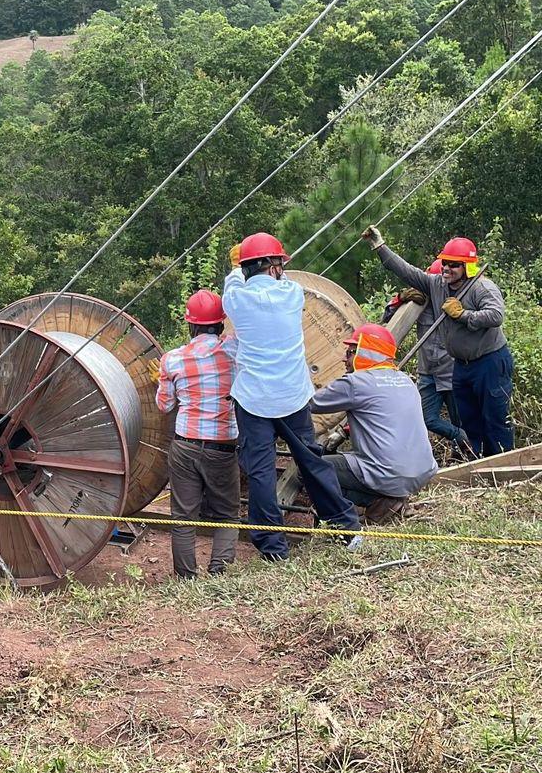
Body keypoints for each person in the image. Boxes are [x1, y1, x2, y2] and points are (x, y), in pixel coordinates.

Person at [222, 232, 361, 560]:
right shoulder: (292, 294)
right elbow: (281, 282)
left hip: (254, 400)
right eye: (280, 263)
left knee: (260, 471)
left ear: (246, 268)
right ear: (272, 266)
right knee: (311, 461)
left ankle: (273, 549)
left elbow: (232, 284)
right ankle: (345, 526)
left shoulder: (237, 301)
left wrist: (237, 268)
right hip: (293, 397)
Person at [364, 228, 513, 457]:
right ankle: (477, 464)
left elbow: (496, 316)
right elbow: (407, 272)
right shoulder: (437, 284)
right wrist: (380, 247)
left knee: (495, 419)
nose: (446, 268)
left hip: (489, 362)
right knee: (468, 421)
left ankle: (502, 465)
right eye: (444, 262)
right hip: (461, 366)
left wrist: (463, 315)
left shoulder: (481, 288)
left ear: (467, 267)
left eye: (454, 265)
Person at [309, 324, 437, 522]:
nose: (344, 358)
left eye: (350, 352)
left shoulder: (355, 383)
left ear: (365, 353)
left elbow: (308, 404)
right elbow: (386, 418)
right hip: (422, 472)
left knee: (310, 469)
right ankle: (390, 499)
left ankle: (371, 506)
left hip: (389, 473)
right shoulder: (405, 380)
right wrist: (345, 431)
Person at [153, 289, 240, 578]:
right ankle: (219, 573)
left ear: (190, 325)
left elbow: (164, 406)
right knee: (227, 515)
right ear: (221, 323)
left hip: (185, 445)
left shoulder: (172, 359)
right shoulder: (235, 351)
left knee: (183, 517)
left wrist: (161, 381)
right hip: (223, 446)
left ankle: (186, 578)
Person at [382, 260, 471, 456]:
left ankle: (462, 457)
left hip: (452, 370)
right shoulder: (417, 301)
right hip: (428, 371)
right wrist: (400, 299)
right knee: (426, 418)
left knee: (461, 419)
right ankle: (460, 438)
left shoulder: (460, 299)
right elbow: (387, 320)